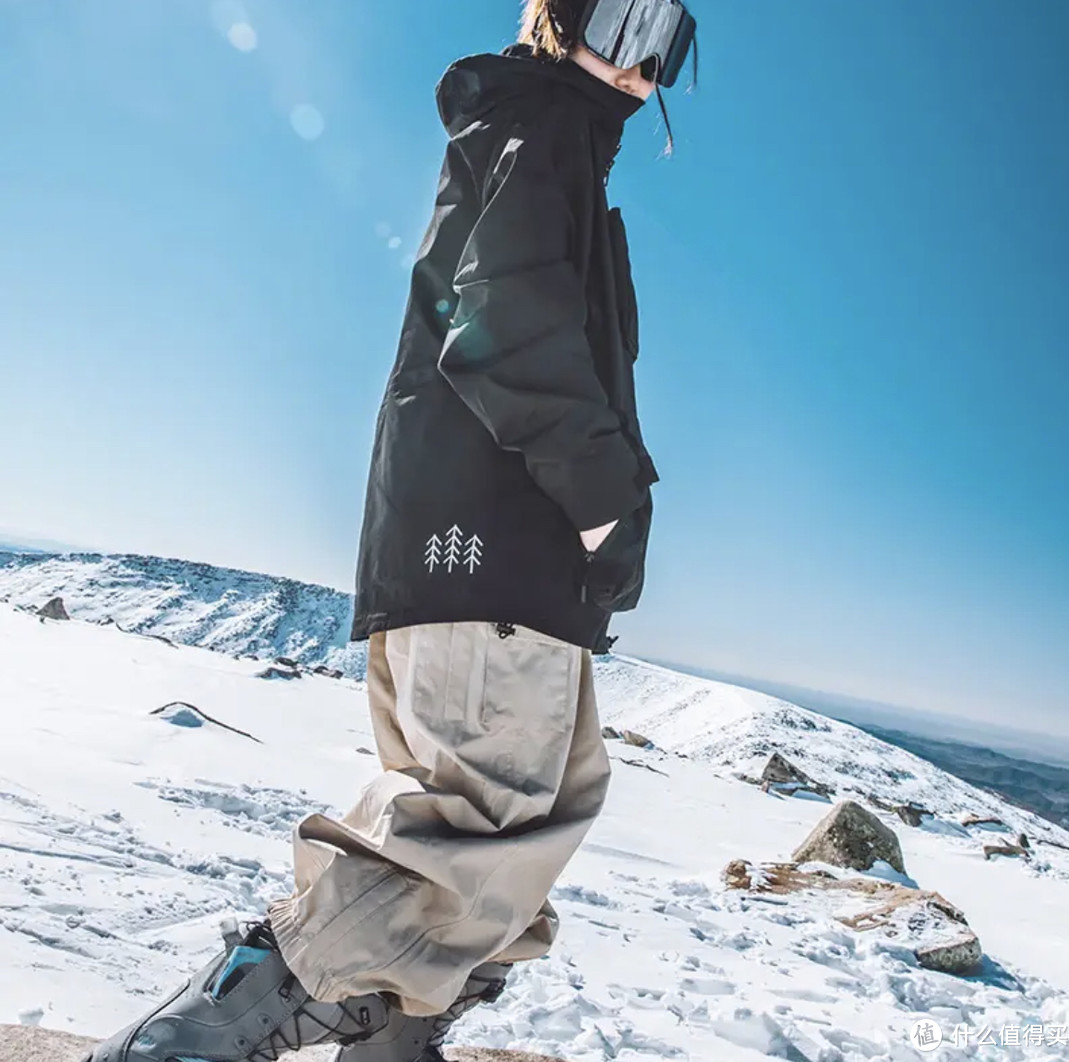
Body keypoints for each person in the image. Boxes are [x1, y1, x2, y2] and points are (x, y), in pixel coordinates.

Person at [85, 2, 695, 1060]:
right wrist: (608, 497)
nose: (644, 63)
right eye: (625, 18)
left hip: (480, 564)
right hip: (496, 553)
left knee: (516, 823)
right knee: (488, 827)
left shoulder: (536, 140)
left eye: (670, 38)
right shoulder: (540, 130)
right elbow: (502, 321)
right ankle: (230, 1014)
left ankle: (396, 1038)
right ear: (556, 20)